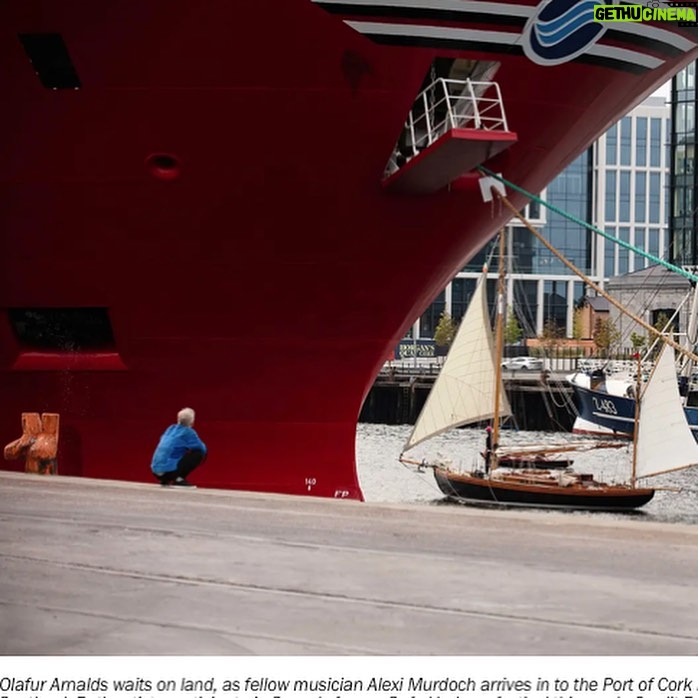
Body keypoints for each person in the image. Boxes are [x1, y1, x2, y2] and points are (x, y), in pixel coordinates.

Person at [151, 407, 207, 487]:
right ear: (192, 421)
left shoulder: (170, 428)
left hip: (155, 471)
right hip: (169, 472)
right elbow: (201, 448)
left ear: (178, 419)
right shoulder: (188, 432)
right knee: (199, 454)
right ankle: (178, 479)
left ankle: (164, 480)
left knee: (172, 453)